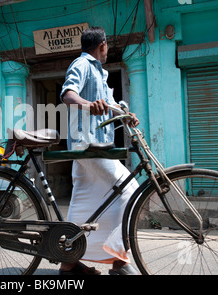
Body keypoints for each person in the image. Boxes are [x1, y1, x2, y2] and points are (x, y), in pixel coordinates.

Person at [59, 26, 140, 275]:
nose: (108, 51)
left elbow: (111, 105)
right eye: (107, 47)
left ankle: (68, 262)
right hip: (88, 146)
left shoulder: (100, 73)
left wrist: (126, 115)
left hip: (96, 145)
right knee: (129, 190)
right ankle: (119, 260)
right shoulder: (82, 64)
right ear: (102, 45)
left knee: (83, 203)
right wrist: (87, 104)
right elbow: (67, 93)